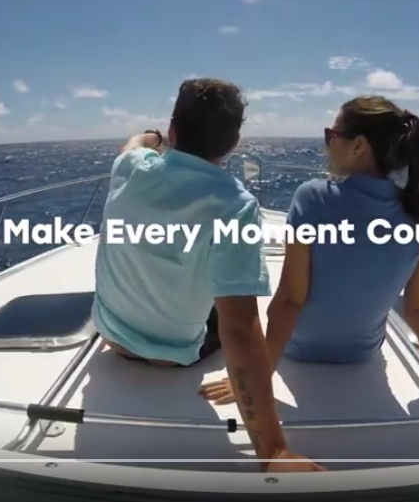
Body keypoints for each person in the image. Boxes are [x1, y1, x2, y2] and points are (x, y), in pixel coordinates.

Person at [200, 95, 419, 412]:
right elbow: (418, 307)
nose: (327, 144)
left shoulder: (313, 198)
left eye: (332, 135)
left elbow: (290, 300)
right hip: (360, 354)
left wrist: (256, 382)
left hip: (298, 350)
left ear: (357, 146)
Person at [92, 77, 325, 472]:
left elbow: (132, 145)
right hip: (172, 357)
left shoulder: (130, 167)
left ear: (172, 129)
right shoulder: (235, 205)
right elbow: (238, 327)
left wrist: (150, 136)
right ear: (233, 144)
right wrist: (274, 450)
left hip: (112, 338)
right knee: (232, 299)